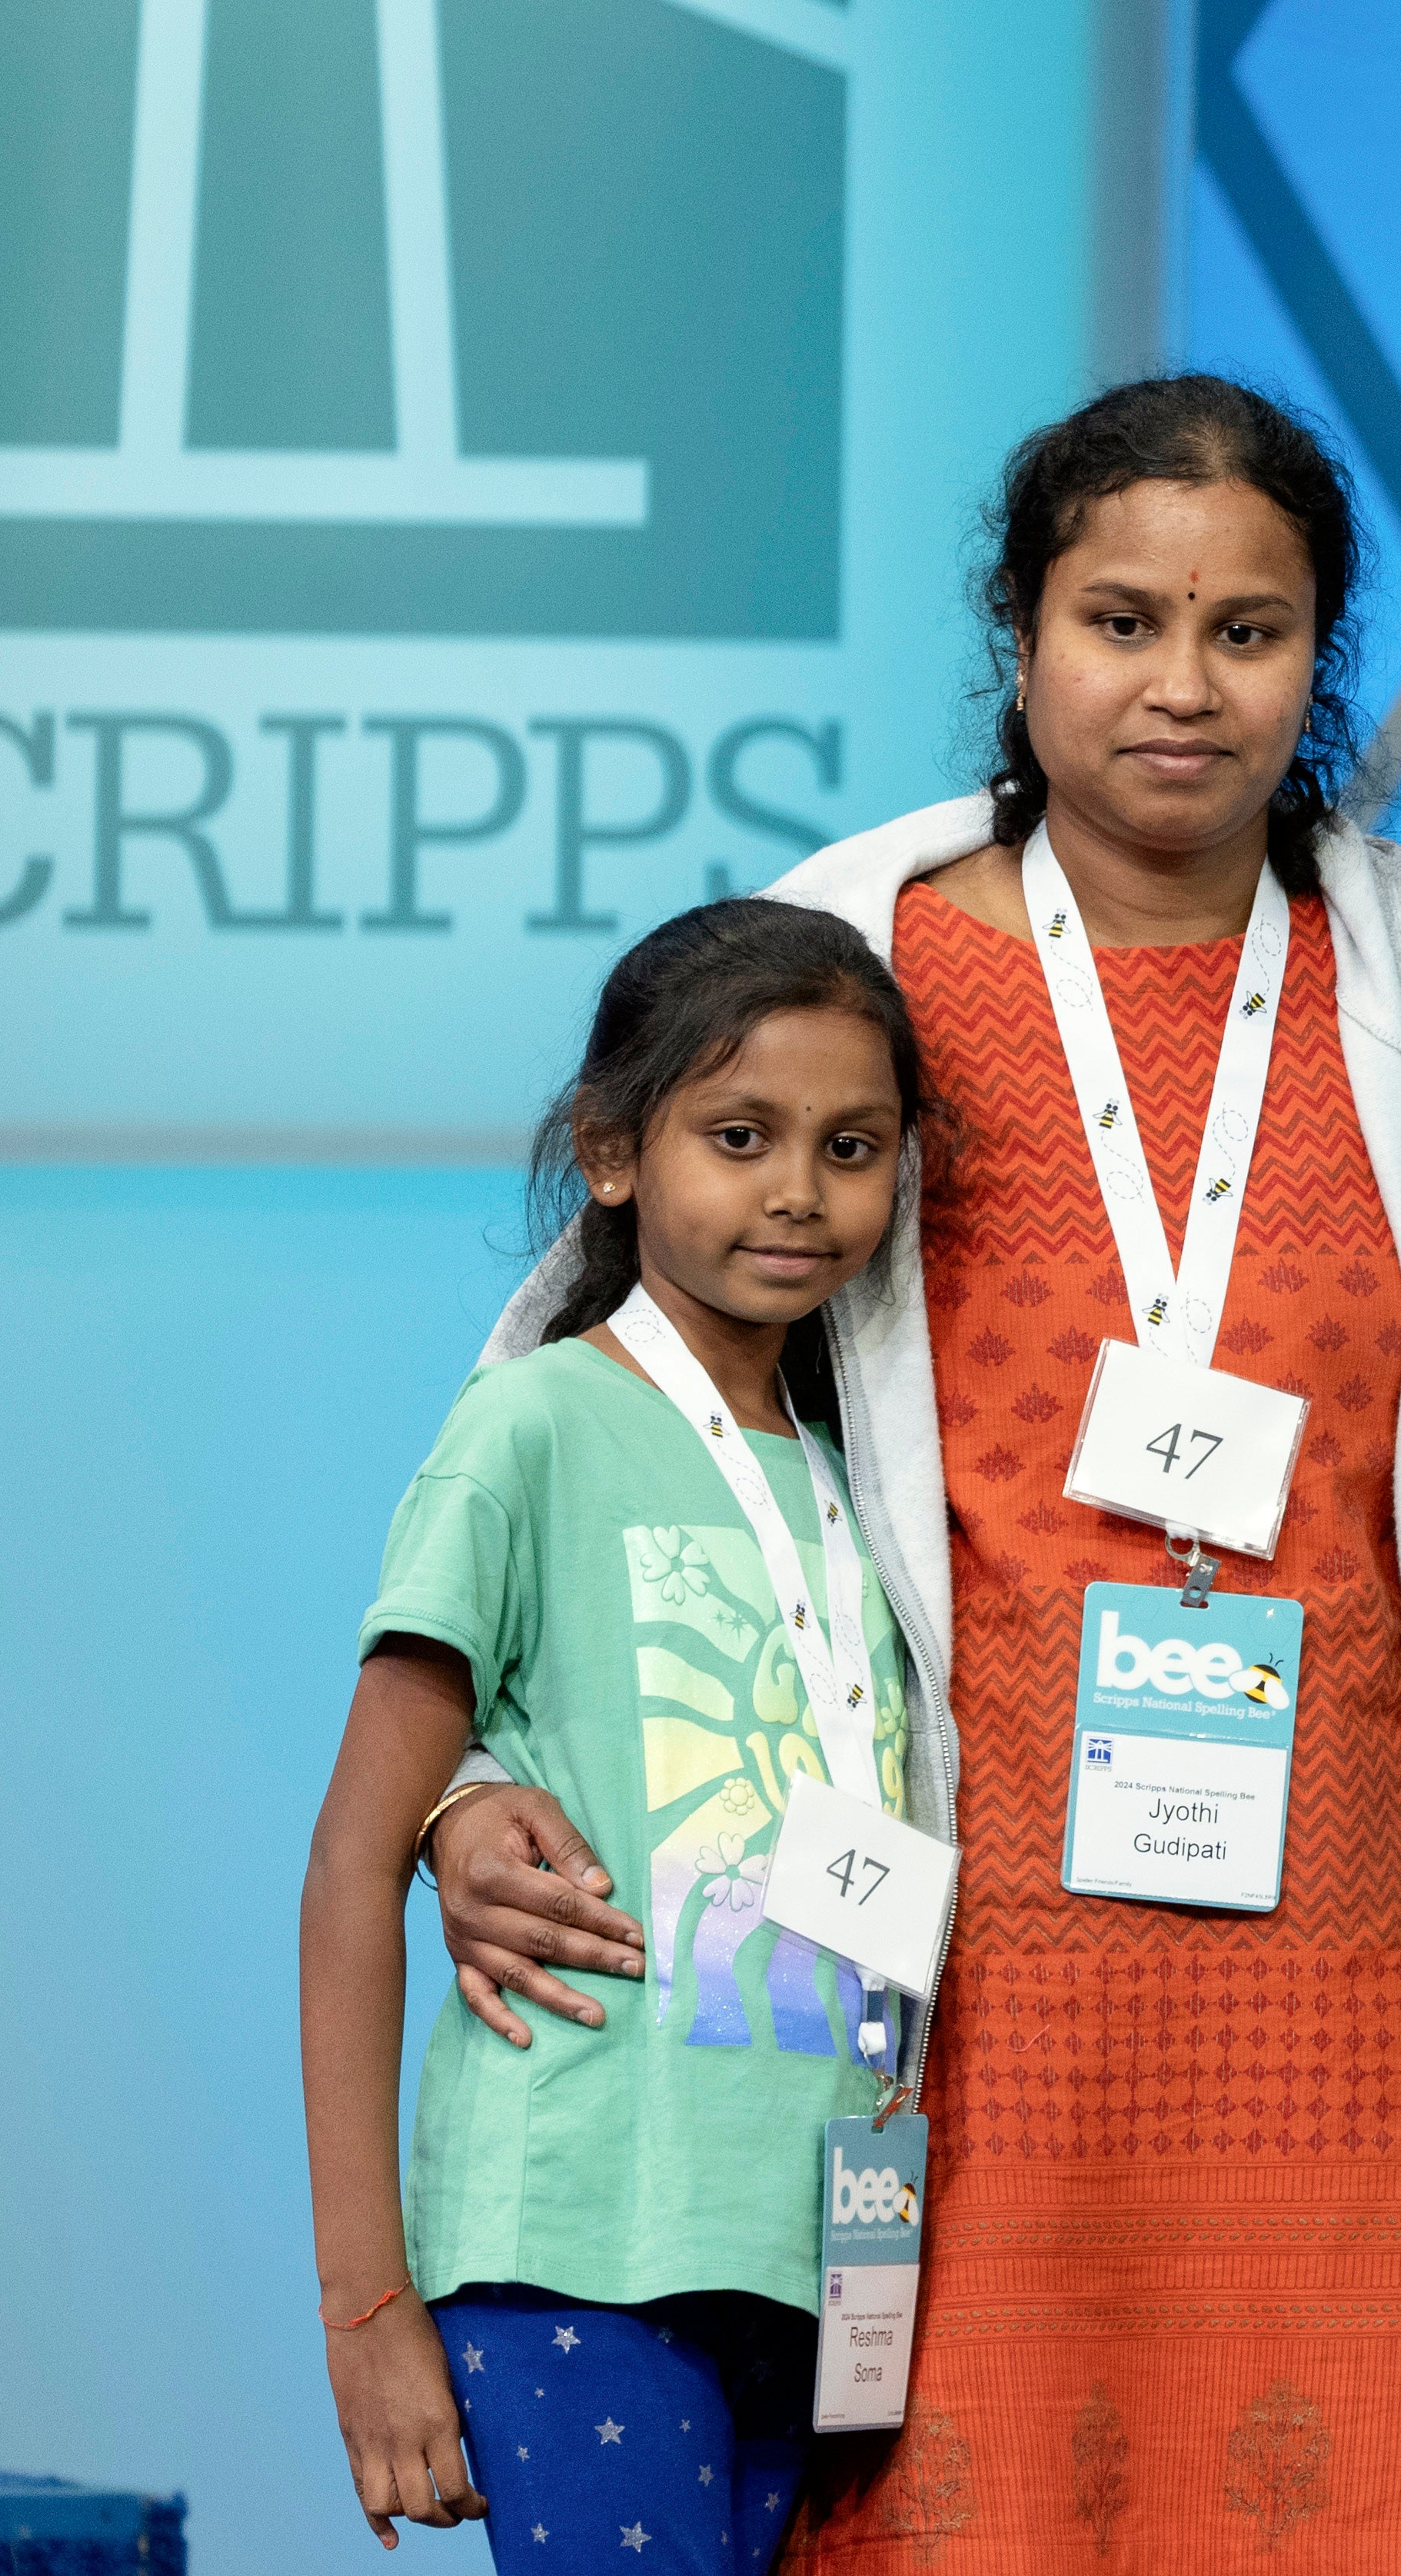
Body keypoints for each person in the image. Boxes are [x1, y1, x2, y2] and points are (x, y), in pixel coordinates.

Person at [423, 376, 1401, 2568]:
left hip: (1341, 1944)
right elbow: (577, 1388)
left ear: (1320, 660)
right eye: (1120, 617)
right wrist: (471, 1789)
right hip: (970, 1943)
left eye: (1252, 628)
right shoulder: (859, 956)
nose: (1184, 683)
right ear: (1018, 633)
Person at [300, 898, 940, 2565]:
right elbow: (351, 1869)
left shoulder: (877, 1491)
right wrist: (367, 2304)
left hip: (826, 2252)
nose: (798, 1189)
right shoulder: (529, 1426)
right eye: (740, 1136)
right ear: (608, 1151)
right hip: (576, 2242)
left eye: (850, 1145)